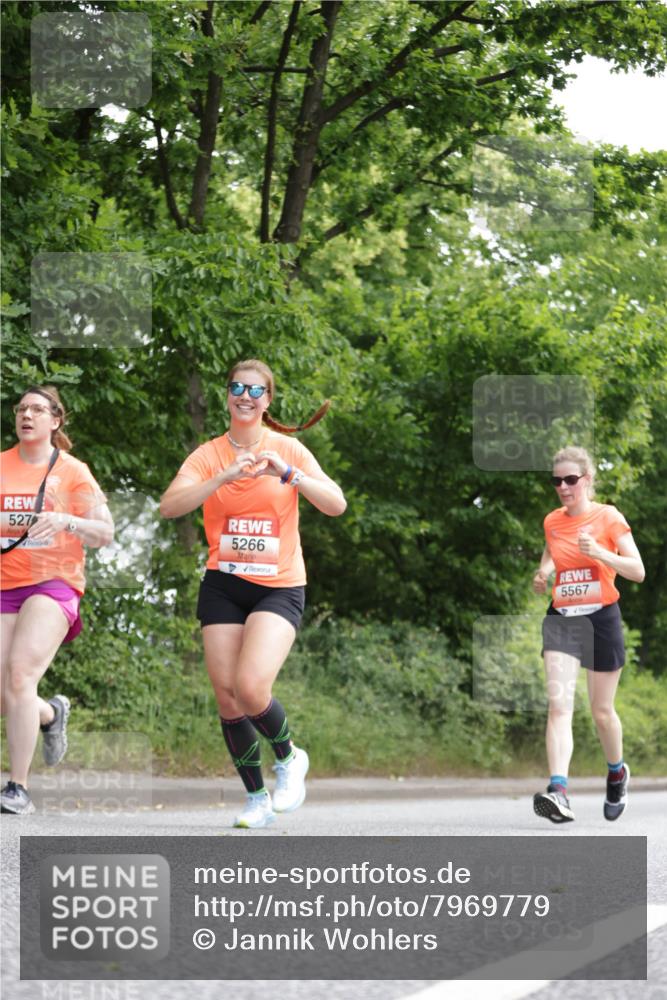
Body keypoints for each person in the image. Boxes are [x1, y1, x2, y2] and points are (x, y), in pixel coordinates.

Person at [160, 359, 346, 829]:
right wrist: (220, 478)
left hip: (279, 585)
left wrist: (287, 474)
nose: (245, 396)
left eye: (255, 390)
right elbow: (169, 506)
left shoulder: (288, 449)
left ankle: (288, 757)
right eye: (237, 388)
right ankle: (257, 798)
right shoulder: (208, 454)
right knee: (227, 697)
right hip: (224, 582)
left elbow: (336, 503)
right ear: (227, 395)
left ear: (267, 400)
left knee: (250, 687)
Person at [1, 386, 114, 815]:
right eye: (21, 409)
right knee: (7, 695)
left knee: (18, 675)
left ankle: (18, 788)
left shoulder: (72, 472)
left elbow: (105, 533)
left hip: (54, 583)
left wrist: (67, 519)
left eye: (37, 409)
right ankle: (50, 713)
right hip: (4, 585)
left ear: (55, 420)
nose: (27, 415)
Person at [531, 445, 645, 824]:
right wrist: (544, 571)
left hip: (601, 618)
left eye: (570, 480)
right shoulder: (552, 520)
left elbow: (637, 570)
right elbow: (552, 549)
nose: (563, 487)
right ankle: (558, 791)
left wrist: (599, 553)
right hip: (562, 617)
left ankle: (616, 772)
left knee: (601, 712)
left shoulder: (608, 517)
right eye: (556, 481)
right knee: (559, 706)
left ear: (588, 480)